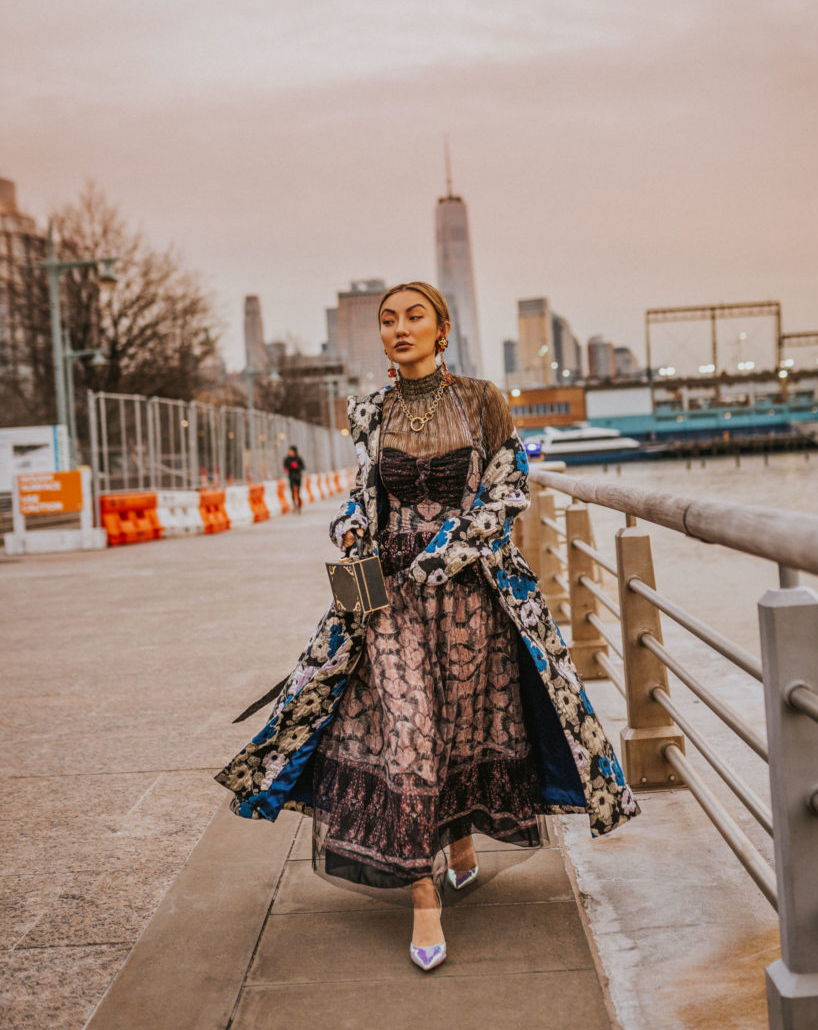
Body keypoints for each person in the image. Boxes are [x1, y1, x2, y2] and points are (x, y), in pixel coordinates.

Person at [215, 281, 638, 972]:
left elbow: (509, 490)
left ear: (442, 329)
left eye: (415, 316)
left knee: (464, 729)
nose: (399, 327)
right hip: (386, 599)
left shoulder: (482, 401)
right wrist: (352, 530)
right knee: (407, 734)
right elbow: (363, 496)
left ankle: (462, 838)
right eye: (388, 320)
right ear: (381, 337)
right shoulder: (368, 411)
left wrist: (455, 549)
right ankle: (423, 899)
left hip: (473, 596)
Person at [283, 445, 305, 510]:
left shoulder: (298, 458)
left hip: (298, 476)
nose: (289, 452)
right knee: (292, 491)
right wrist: (289, 467)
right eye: (289, 451)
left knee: (298, 491)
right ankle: (294, 504)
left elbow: (303, 467)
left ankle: (299, 504)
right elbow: (285, 467)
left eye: (291, 451)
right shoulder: (287, 459)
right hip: (291, 476)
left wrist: (297, 466)